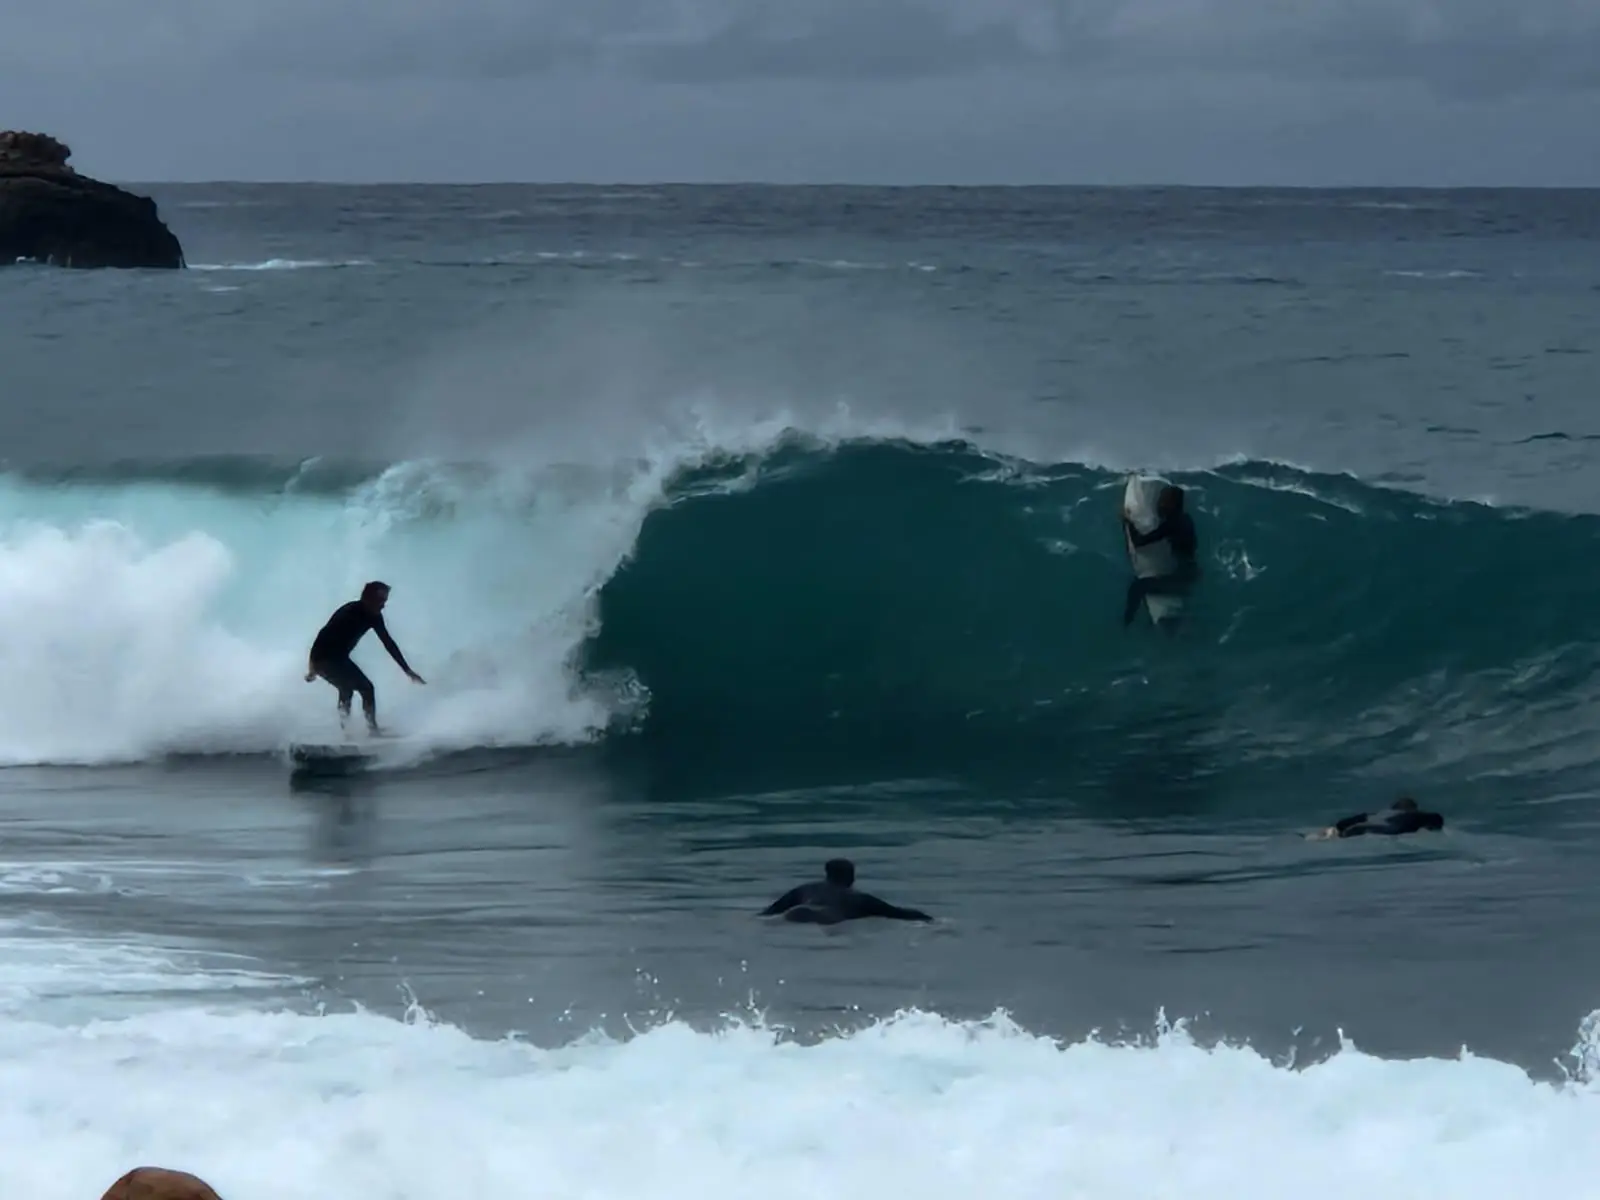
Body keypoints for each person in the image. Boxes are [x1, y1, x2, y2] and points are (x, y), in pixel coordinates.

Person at [304, 581, 424, 735]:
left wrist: (407, 670)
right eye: (381, 601)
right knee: (363, 688)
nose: (383, 606)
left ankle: (351, 731)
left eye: (384, 601)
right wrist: (312, 668)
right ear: (368, 599)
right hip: (323, 658)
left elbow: (388, 643)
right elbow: (322, 637)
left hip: (338, 658)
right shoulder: (348, 612)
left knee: (348, 688)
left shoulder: (374, 617)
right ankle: (365, 731)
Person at [759, 858, 934, 925]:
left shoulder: (804, 889)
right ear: (851, 877)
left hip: (796, 914)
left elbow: (769, 912)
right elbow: (898, 913)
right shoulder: (859, 899)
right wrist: (930, 919)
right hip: (828, 919)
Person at [1122, 484, 1199, 627]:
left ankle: (1126, 624)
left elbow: (1139, 541)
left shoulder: (1172, 525)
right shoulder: (1185, 519)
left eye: (1163, 500)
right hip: (1190, 574)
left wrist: (1127, 520)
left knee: (1138, 587)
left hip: (1182, 579)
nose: (1159, 503)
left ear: (1171, 504)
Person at [1310, 796, 1444, 840]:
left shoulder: (1377, 813)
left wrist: (1337, 828)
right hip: (1384, 830)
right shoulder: (1412, 814)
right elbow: (1437, 818)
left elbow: (1343, 823)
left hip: (1357, 828)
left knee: (1340, 835)